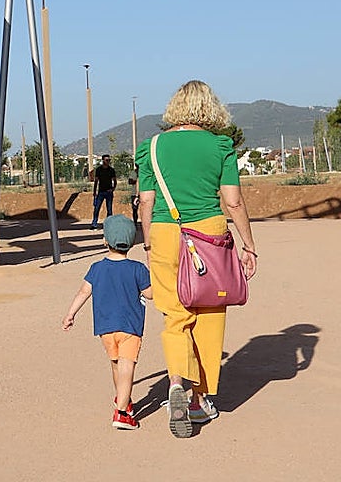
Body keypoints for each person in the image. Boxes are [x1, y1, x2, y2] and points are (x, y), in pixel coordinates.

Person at [135, 80, 257, 438]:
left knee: (175, 315)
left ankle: (175, 381)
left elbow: (146, 201)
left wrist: (148, 244)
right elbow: (233, 201)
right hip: (208, 234)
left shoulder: (151, 147)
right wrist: (249, 246)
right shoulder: (220, 146)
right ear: (211, 107)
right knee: (209, 313)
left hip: (164, 233)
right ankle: (198, 400)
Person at [62, 215, 153, 430]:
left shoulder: (97, 268)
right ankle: (121, 413)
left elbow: (83, 292)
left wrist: (70, 314)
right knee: (127, 366)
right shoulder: (138, 269)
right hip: (130, 327)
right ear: (132, 242)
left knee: (116, 364)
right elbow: (150, 294)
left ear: (105, 241)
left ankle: (123, 399)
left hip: (105, 328)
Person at [90, 154, 117, 228]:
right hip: (101, 192)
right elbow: (96, 181)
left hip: (109, 192)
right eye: (107, 160)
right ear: (103, 160)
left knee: (109, 209)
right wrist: (94, 192)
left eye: (109, 160)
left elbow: (115, 180)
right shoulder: (99, 170)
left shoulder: (111, 170)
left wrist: (113, 189)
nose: (108, 161)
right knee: (97, 208)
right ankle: (94, 223)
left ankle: (109, 224)